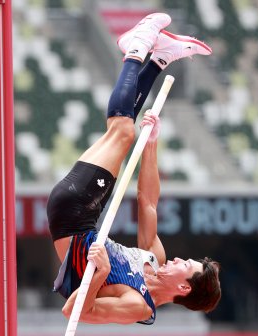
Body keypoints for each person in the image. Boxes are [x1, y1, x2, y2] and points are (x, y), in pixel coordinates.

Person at [47, 13, 221, 325]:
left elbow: (74, 312)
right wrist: (151, 143)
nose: (179, 258)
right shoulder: (156, 260)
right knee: (124, 132)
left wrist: (99, 276)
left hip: (72, 215)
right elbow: (148, 202)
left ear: (183, 286)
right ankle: (160, 59)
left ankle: (137, 47)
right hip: (88, 213)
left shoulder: (139, 305)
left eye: (187, 264)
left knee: (122, 132)